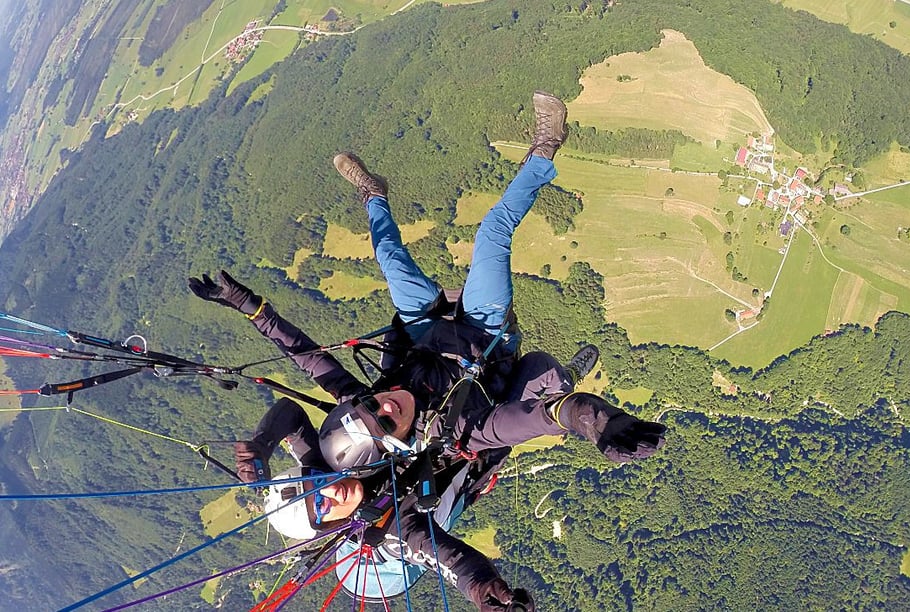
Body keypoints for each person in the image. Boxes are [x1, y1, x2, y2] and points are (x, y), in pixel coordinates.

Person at [190, 91, 666, 611]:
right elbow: (452, 552)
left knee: (389, 257)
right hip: (486, 339)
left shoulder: (348, 434)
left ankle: (373, 194)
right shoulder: (449, 436)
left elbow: (306, 361)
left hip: (426, 332)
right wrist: (594, 421)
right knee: (493, 238)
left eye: (371, 406)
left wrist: (250, 309)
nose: (384, 406)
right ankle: (547, 146)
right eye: (323, 508)